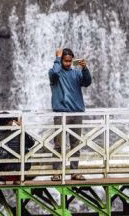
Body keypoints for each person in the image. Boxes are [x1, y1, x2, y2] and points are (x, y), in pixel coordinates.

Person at [49, 47, 91, 181]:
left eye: (70, 61)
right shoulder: (54, 73)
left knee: (75, 144)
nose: (68, 63)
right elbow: (55, 72)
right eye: (65, 61)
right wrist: (57, 58)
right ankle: (56, 172)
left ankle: (74, 171)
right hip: (61, 114)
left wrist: (85, 69)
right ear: (61, 61)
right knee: (59, 145)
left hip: (76, 112)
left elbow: (87, 82)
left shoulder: (76, 73)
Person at [0, 113, 36, 184]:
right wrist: (21, 127)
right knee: (23, 149)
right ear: (10, 122)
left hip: (5, 170)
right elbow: (31, 143)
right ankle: (18, 179)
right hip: (22, 168)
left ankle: (1, 178)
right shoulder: (19, 133)